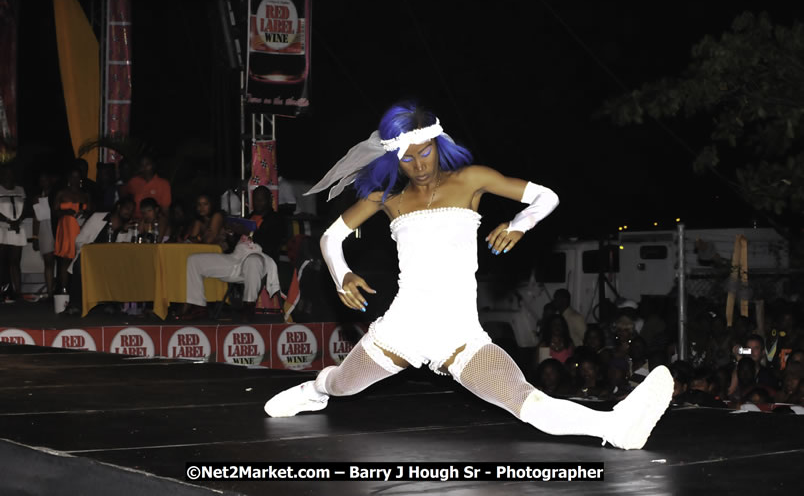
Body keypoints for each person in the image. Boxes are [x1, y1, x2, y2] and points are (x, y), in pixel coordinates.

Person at [263, 101, 674, 450]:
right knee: (342, 386)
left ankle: (615, 426)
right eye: (407, 158)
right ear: (394, 158)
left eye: (425, 152)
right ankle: (312, 392)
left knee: (524, 401)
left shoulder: (470, 180)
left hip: (459, 334)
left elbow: (545, 196)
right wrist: (343, 276)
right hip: (403, 327)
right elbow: (331, 237)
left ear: (438, 144)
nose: (418, 165)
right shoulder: (389, 197)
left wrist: (520, 225)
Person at [180, 186, 283, 320]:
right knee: (194, 260)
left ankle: (248, 306)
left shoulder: (276, 219)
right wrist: (231, 234)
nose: (257, 203)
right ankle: (198, 306)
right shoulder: (250, 217)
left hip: (260, 260)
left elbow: (271, 243)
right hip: (236, 259)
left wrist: (248, 232)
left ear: (269, 200)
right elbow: (237, 241)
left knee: (253, 260)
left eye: (261, 200)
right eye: (255, 200)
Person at [60, 197, 136, 316]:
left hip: (112, 263)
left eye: (132, 211)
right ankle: (76, 305)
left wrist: (123, 232)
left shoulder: (128, 228)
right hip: (90, 258)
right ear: (119, 207)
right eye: (127, 209)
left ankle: (112, 304)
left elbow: (123, 252)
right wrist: (92, 249)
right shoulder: (98, 218)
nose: (129, 212)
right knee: (80, 262)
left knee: (122, 266)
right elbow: (79, 241)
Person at [52, 166, 91, 291]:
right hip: (67, 228)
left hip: (81, 227)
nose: (75, 179)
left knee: (80, 259)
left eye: (77, 176)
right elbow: (54, 212)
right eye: (72, 176)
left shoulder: (85, 195)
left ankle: (78, 290)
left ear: (81, 179)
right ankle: (64, 289)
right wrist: (65, 212)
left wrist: (85, 214)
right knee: (65, 259)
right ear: (69, 178)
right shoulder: (62, 193)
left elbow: (91, 212)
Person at [0, 164, 26, 303]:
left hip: (17, 227)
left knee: (15, 261)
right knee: (2, 260)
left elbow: (25, 208)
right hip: (2, 227)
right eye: (6, 173)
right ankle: (3, 291)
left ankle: (17, 291)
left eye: (11, 173)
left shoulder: (20, 189)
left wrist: (17, 221)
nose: (8, 175)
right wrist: (7, 220)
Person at [31, 169, 58, 300]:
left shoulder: (57, 195)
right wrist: (34, 236)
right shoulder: (37, 198)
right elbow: (36, 218)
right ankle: (50, 292)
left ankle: (59, 289)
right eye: (41, 180)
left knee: (60, 260)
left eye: (46, 179)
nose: (44, 182)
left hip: (57, 228)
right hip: (44, 229)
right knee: (48, 262)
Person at [121, 154, 171, 219]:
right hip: (135, 221)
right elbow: (124, 197)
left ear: (153, 165)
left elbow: (165, 210)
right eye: (142, 165)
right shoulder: (134, 181)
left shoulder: (163, 184)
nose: (144, 168)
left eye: (147, 164)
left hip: (154, 221)